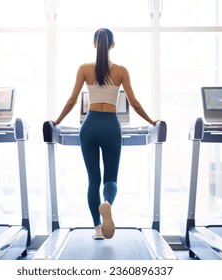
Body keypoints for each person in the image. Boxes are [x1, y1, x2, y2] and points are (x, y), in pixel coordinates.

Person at [52, 28, 157, 240]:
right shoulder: (121, 71)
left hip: (89, 125)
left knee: (93, 180)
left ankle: (97, 229)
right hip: (111, 126)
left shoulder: (84, 69)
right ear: (112, 45)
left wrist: (56, 121)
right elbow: (134, 103)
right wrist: (152, 121)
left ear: (94, 44)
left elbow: (72, 101)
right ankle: (107, 203)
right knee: (111, 178)